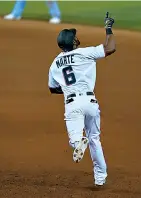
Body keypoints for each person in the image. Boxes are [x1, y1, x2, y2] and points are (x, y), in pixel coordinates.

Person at [47, 12, 116, 187]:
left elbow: (52, 88)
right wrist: (108, 29)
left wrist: (68, 88)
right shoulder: (86, 53)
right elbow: (110, 48)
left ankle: (78, 142)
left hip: (72, 103)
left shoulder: (55, 63)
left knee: (75, 139)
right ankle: (100, 178)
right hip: (90, 102)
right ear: (73, 41)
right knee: (95, 139)